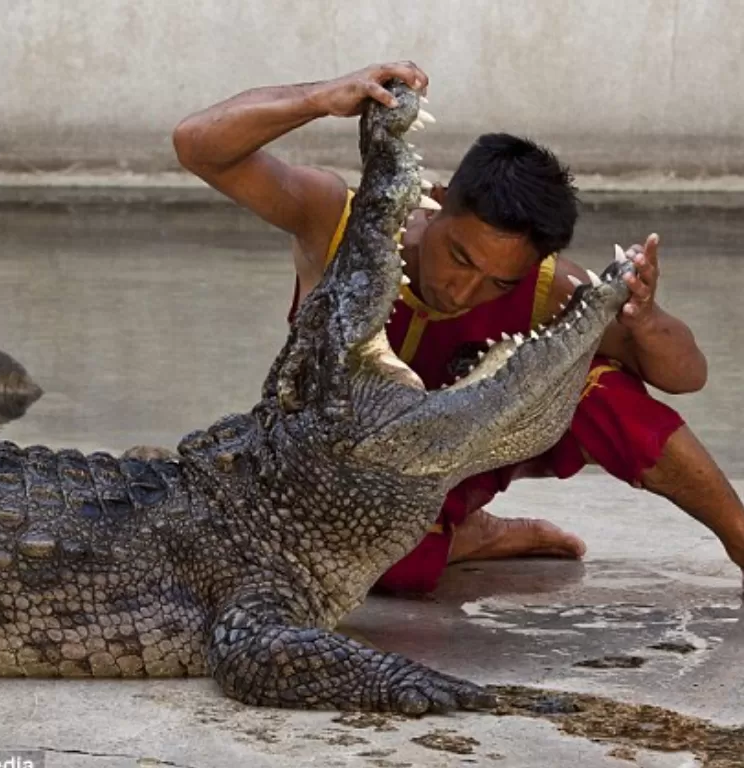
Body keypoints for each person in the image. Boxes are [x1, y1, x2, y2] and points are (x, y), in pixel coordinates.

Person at [172, 60, 744, 593]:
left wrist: (646, 319)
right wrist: (321, 97)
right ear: (439, 202)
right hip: (335, 470)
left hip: (457, 457)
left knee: (599, 382)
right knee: (368, 567)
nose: (461, 290)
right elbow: (198, 144)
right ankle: (471, 535)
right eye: (461, 257)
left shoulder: (549, 286)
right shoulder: (341, 221)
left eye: (498, 282)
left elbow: (684, 377)